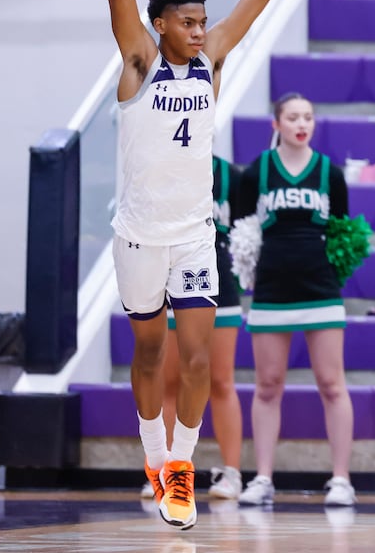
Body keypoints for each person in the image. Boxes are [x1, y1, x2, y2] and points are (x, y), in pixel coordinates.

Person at [95, 0, 331, 530]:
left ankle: (180, 471)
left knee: (198, 356)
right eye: (188, 22)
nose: (201, 31)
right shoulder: (139, 63)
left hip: (195, 233)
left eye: (204, 22)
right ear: (159, 25)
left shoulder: (211, 60)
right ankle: (151, 452)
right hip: (139, 234)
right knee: (148, 352)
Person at [235, 94, 356, 508]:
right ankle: (264, 477)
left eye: (308, 116)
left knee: (331, 383)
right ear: (277, 124)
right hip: (271, 289)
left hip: (321, 289)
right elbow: (241, 226)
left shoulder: (330, 173)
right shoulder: (257, 171)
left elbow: (343, 231)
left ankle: (341, 479)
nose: (301, 123)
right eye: (292, 117)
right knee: (268, 385)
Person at [153, 156, 245, 503]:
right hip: (174, 279)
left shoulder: (231, 175)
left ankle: (232, 473)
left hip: (221, 285)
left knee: (220, 380)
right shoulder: (164, 167)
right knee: (171, 380)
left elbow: (245, 228)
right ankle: (163, 470)